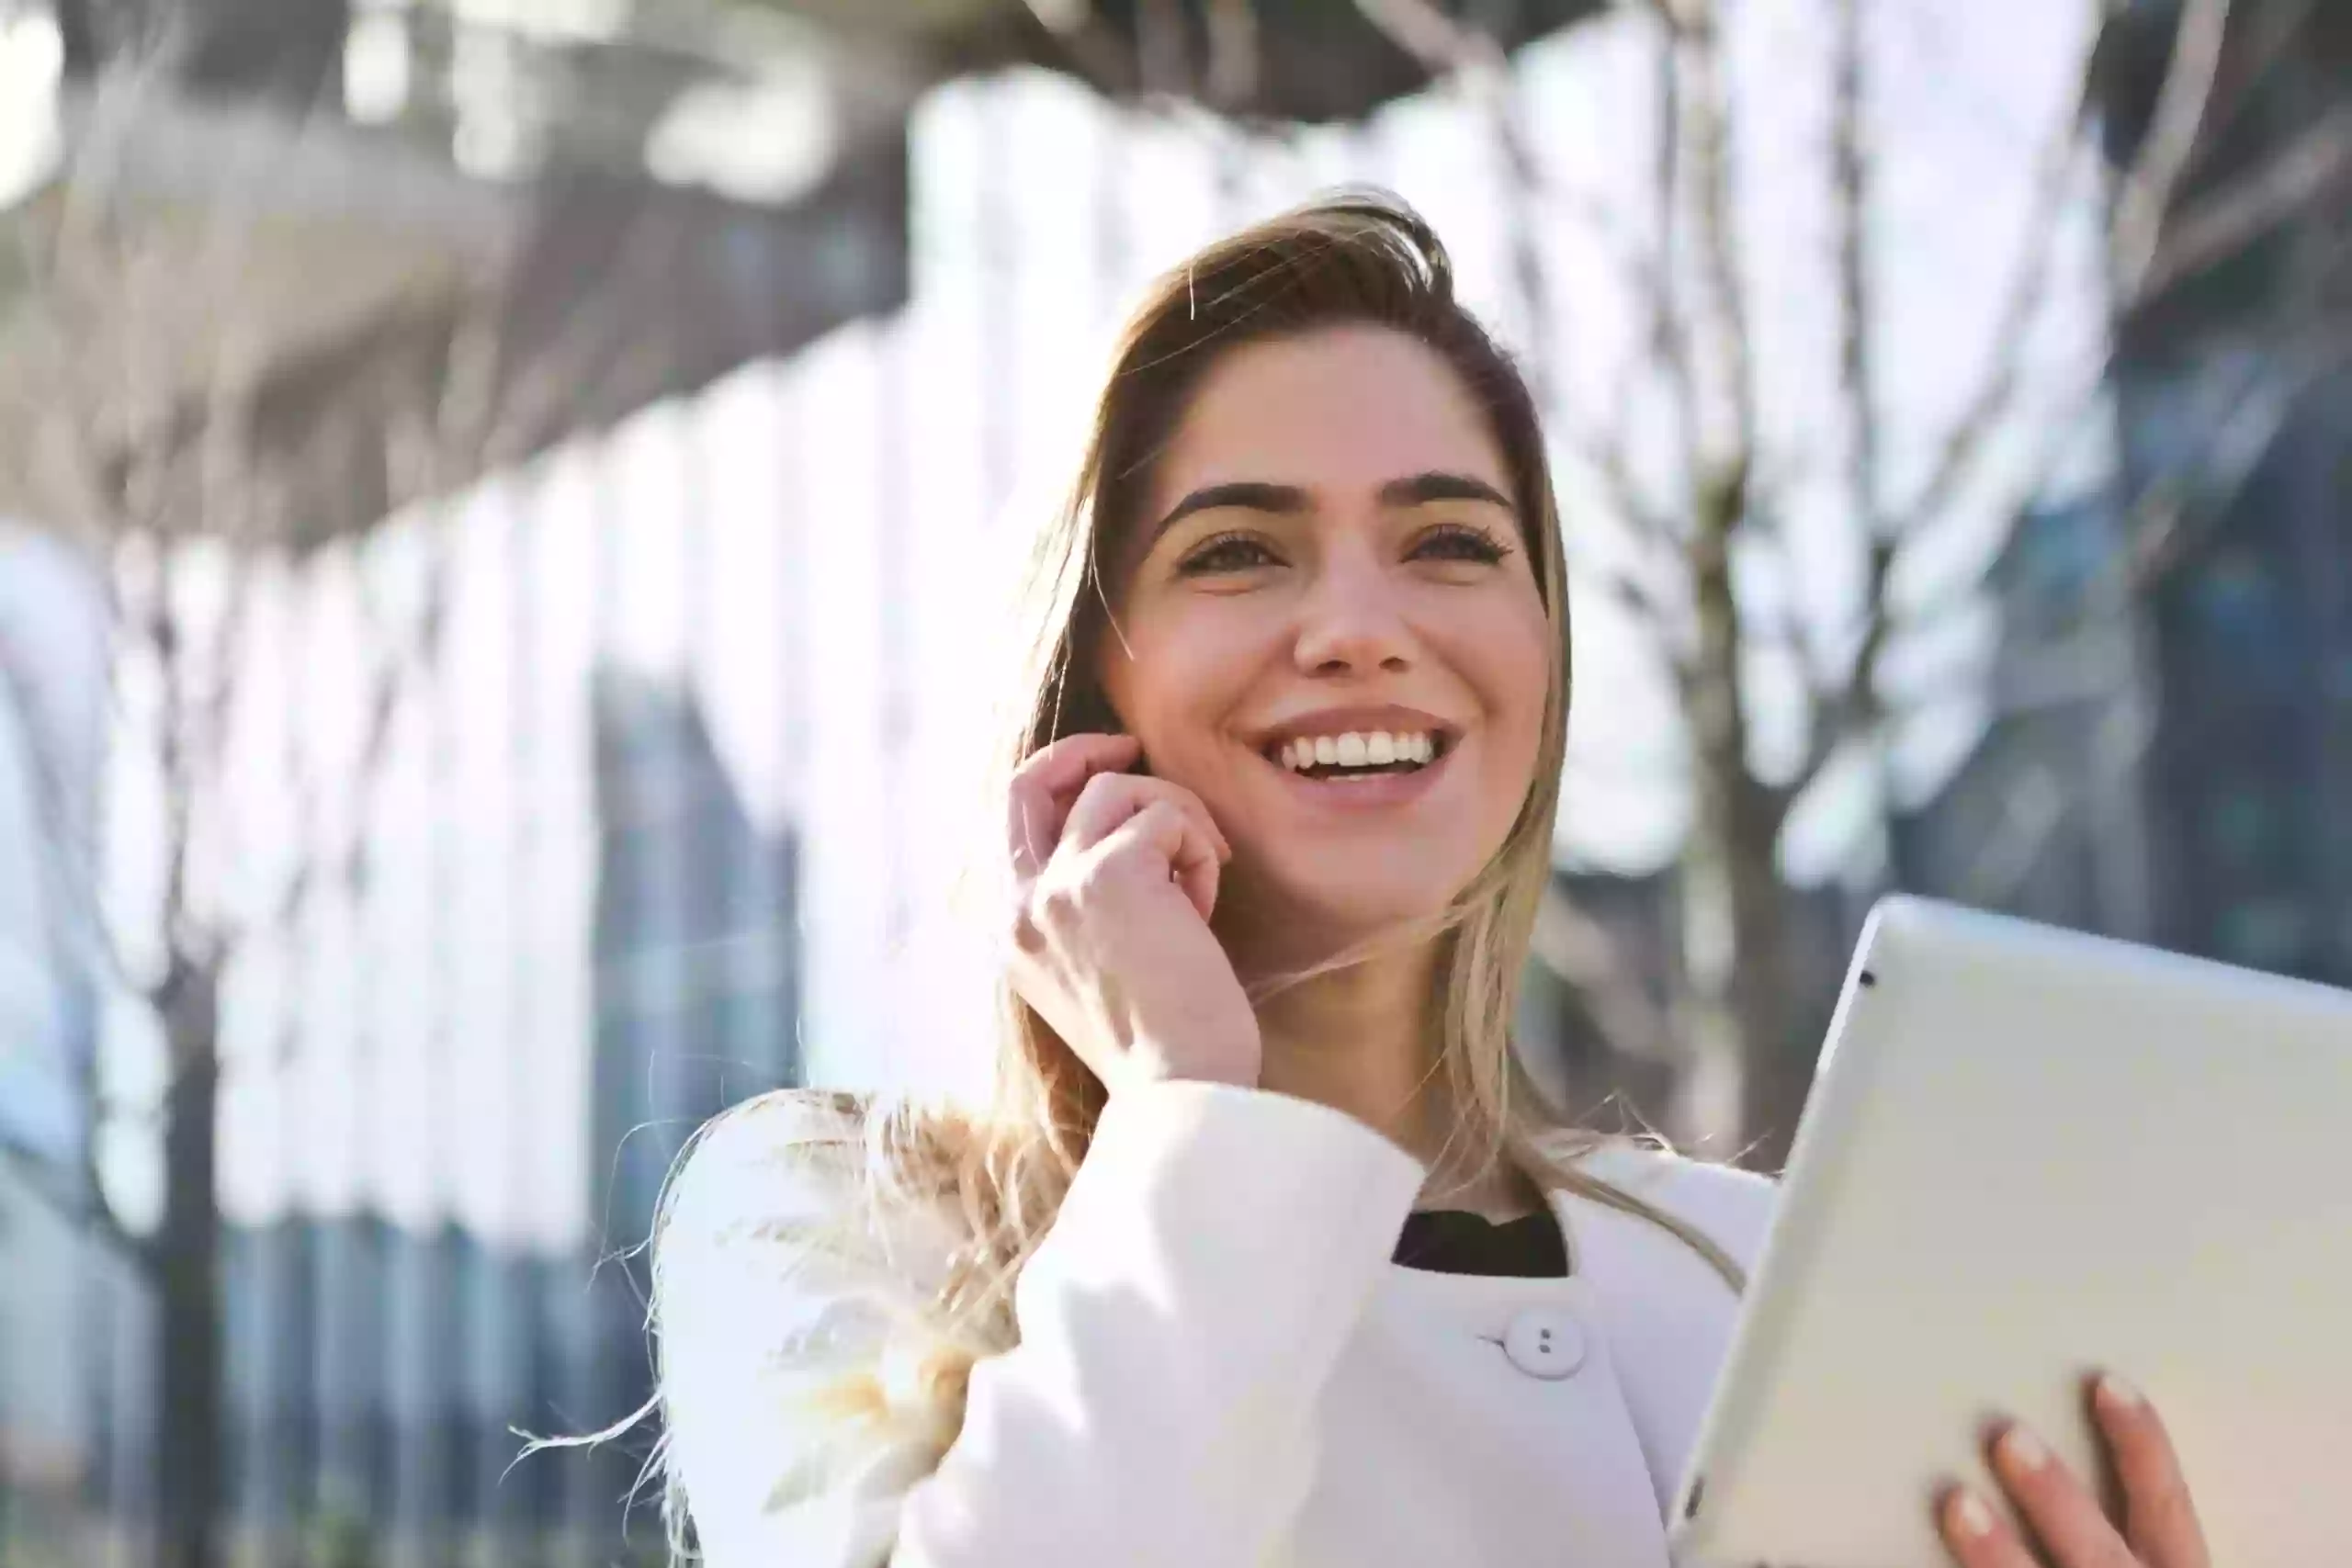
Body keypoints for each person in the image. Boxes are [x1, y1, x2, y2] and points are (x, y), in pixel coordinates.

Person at [648, 196, 2211, 1568]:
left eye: (1451, 543)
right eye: (1240, 551)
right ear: (1085, 680)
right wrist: (1193, 1103)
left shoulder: (1758, 1269)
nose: (1360, 626)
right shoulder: (828, 1224)